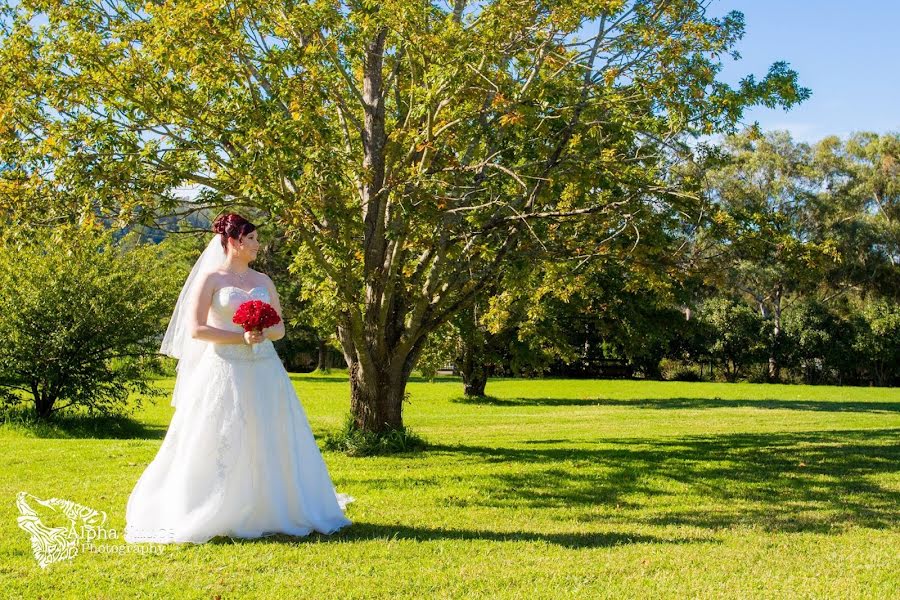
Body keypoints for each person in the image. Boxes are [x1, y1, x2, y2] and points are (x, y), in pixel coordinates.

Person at [124, 213, 353, 544]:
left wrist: (261, 331)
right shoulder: (211, 280)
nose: (258, 245)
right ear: (234, 241)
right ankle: (214, 505)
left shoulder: (264, 281)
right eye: (253, 239)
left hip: (264, 369)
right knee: (220, 433)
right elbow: (197, 329)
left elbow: (279, 329)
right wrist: (240, 337)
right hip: (224, 367)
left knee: (270, 431)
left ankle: (273, 506)